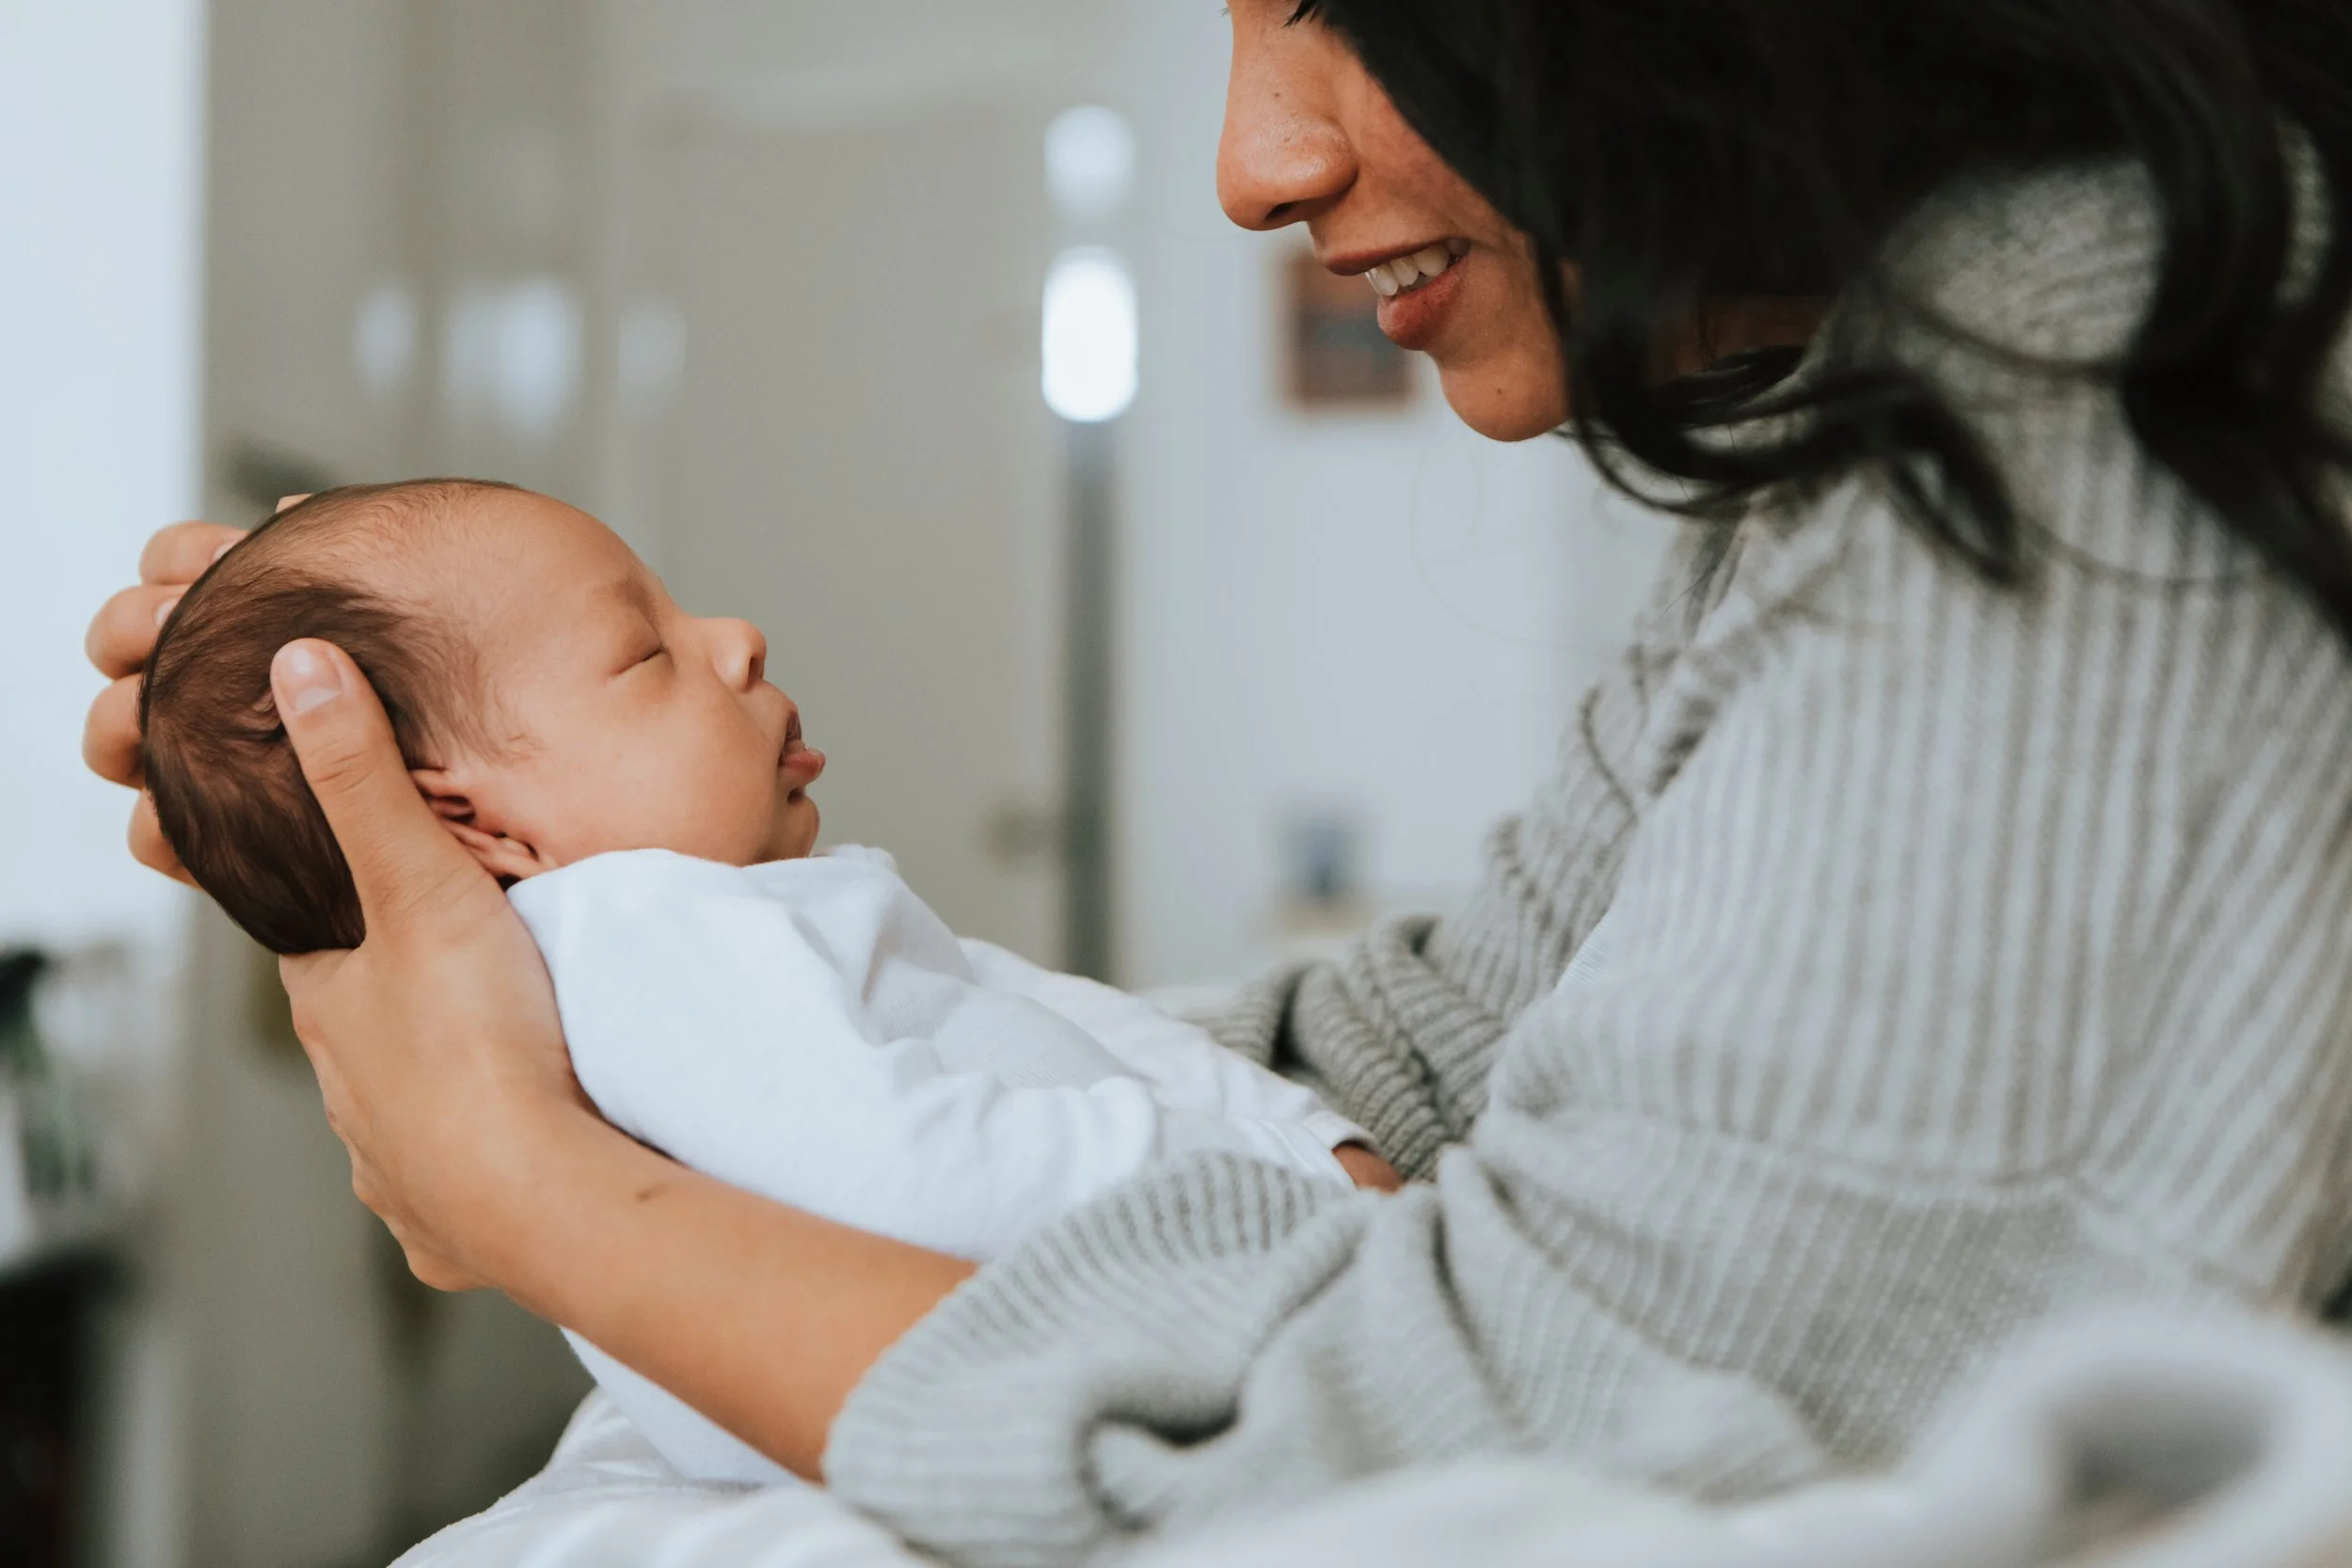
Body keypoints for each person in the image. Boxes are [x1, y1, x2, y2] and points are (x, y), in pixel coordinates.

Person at [81, 0, 2352, 1562]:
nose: (1251, 158)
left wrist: (529, 1174)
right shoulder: (1892, 401)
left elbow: (1525, 1433)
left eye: (1334, 0)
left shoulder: (2106, 373)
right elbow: (1439, 1058)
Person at [136, 477, 1395, 1486]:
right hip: (954, 1379)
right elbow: (910, 1179)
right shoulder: (638, 934)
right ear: (480, 824)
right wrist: (1288, 1186)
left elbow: (1032, 1013)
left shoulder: (715, 917)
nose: (737, 640)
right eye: (644, 654)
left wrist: (1297, 1129)